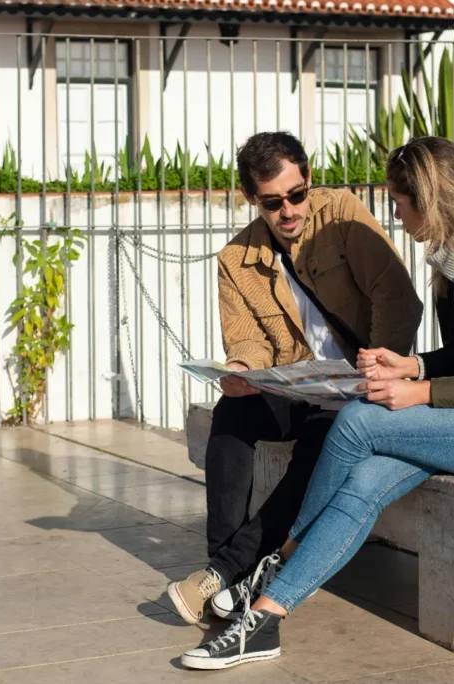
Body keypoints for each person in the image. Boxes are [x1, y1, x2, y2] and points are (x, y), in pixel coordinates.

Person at [179, 135, 454, 670]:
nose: (395, 213)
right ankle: (266, 619)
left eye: (399, 201)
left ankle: (275, 559)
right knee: (365, 480)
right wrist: (413, 366)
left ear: (428, 198)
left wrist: (420, 391)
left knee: (359, 422)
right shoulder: (453, 266)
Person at [166, 131, 424, 626]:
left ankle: (223, 573)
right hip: (297, 386)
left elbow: (396, 296)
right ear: (251, 198)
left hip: (361, 387)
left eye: (296, 194)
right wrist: (240, 372)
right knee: (232, 413)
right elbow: (247, 341)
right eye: (272, 202)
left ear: (308, 178)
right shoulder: (236, 260)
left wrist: (380, 365)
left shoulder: (343, 215)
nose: (288, 211)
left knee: (324, 442)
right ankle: (225, 565)